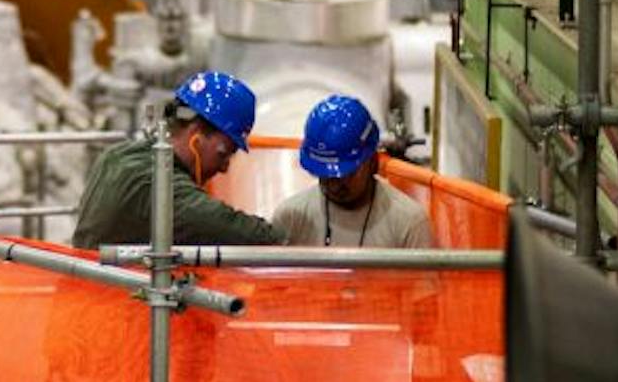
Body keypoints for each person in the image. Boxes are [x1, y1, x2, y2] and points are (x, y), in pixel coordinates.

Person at [70, 71, 283, 250]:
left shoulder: (118, 154)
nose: (225, 167)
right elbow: (241, 231)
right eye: (224, 152)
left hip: (87, 287)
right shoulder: (160, 182)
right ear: (196, 136)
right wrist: (292, 236)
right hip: (113, 296)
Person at [272, 95, 436, 249]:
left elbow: (422, 280)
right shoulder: (291, 219)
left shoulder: (409, 223)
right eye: (326, 176)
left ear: (372, 162)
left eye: (347, 175)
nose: (334, 185)